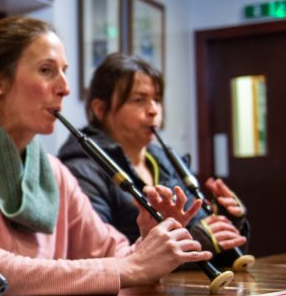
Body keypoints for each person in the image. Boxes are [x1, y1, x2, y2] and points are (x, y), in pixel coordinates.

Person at [0, 16, 213, 296]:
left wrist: (152, 240)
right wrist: (130, 268)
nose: (65, 88)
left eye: (64, 72)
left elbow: (111, 250)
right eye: (46, 71)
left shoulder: (54, 172)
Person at [57, 52, 248, 262]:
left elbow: (201, 227)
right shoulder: (81, 168)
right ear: (100, 109)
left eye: (156, 99)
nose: (153, 110)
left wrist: (227, 222)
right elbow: (98, 254)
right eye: (139, 100)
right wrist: (192, 241)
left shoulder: (163, 159)